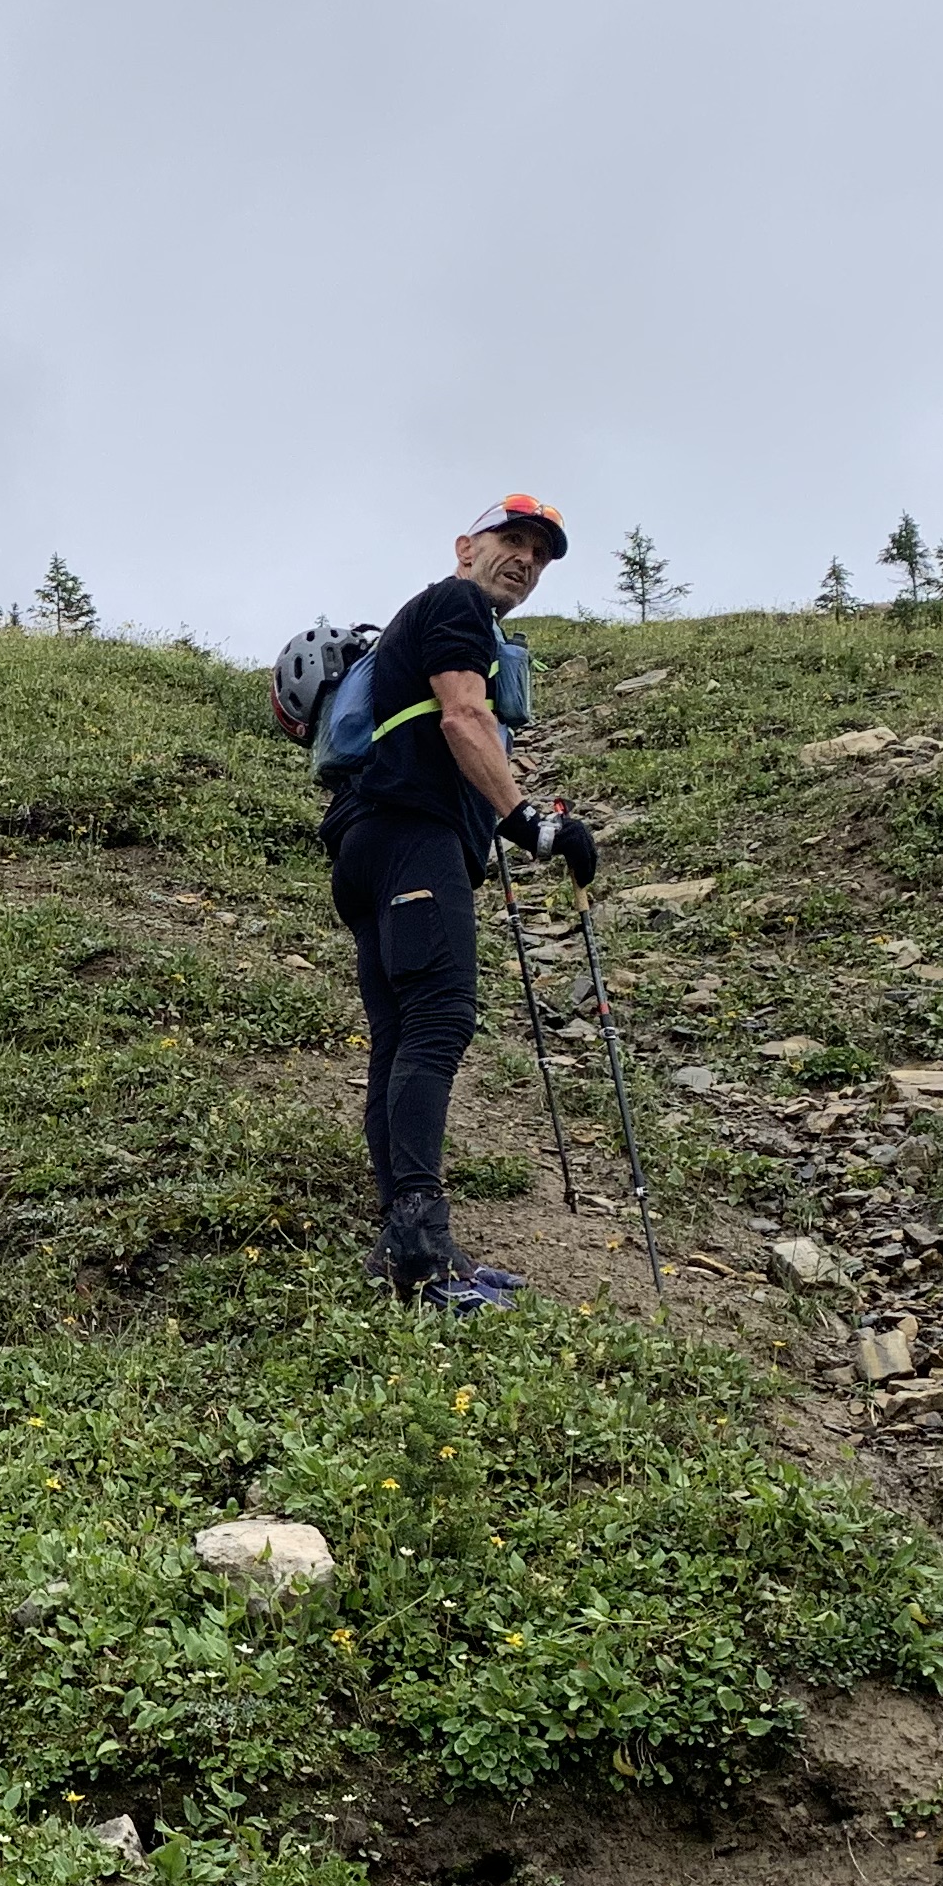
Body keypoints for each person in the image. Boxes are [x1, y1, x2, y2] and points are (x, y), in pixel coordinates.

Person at [311, 495, 600, 1303]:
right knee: (437, 1023)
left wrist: (504, 824)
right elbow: (464, 716)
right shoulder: (460, 603)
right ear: (466, 545)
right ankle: (421, 1250)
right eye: (513, 541)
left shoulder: (433, 612)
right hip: (410, 839)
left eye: (539, 556)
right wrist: (531, 825)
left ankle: (405, 1245)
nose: (525, 561)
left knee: (402, 1035)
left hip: (370, 844)